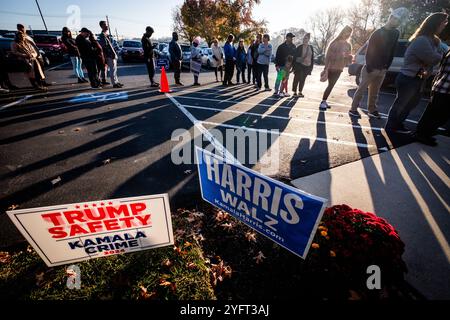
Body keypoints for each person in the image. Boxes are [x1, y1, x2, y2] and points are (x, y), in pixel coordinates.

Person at [385, 12, 448, 134]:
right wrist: (440, 54)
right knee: (401, 104)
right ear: (435, 24)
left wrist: (440, 52)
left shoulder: (434, 40)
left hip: (417, 79)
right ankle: (391, 127)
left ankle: (398, 124)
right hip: (409, 78)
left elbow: (442, 51)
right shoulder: (422, 40)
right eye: (443, 23)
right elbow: (433, 58)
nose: (444, 26)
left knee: (410, 104)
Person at [350, 8, 408, 119]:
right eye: (396, 20)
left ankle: (372, 110)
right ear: (391, 18)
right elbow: (369, 51)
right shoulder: (377, 33)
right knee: (361, 89)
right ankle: (353, 109)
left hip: (383, 69)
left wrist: (387, 66)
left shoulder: (396, 33)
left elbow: (392, 50)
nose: (398, 23)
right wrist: (370, 66)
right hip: (371, 68)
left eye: (399, 21)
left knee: (375, 92)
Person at [414, 48, 450, 146]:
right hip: (445, 88)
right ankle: (422, 134)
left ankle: (422, 133)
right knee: (438, 115)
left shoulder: (448, 50)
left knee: (433, 113)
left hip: (441, 86)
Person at [320, 26, 353, 110]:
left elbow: (348, 62)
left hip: (339, 69)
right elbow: (328, 57)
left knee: (331, 85)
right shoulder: (334, 43)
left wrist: (349, 58)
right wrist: (325, 68)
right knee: (331, 85)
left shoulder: (348, 45)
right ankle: (323, 101)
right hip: (331, 67)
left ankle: (324, 101)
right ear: (342, 32)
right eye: (346, 32)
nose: (347, 34)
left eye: (349, 32)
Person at [98, 20, 123, 88]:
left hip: (112, 54)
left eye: (107, 24)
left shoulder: (106, 34)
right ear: (102, 26)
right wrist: (111, 55)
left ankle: (116, 82)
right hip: (110, 55)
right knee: (112, 69)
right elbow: (105, 47)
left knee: (114, 69)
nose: (107, 26)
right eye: (105, 24)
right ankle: (114, 83)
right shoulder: (102, 35)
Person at [292, 33, 314, 97]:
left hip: (307, 66)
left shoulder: (311, 47)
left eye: (306, 38)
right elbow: (295, 57)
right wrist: (294, 67)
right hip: (300, 65)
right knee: (297, 78)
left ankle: (300, 92)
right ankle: (294, 92)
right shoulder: (299, 47)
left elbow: (312, 58)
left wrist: (311, 67)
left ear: (309, 39)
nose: (304, 40)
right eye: (304, 38)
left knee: (303, 79)